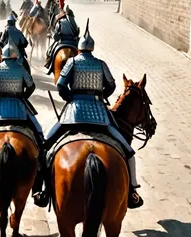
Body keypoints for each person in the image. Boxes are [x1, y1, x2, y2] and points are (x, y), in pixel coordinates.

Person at [44, 25, 143, 209]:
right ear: (92, 49)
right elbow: (112, 86)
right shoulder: (100, 64)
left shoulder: (72, 63)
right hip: (99, 113)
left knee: (47, 143)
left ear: (79, 48)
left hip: (74, 113)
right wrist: (101, 96)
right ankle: (132, 190)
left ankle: (44, 188)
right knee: (127, 150)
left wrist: (70, 97)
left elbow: (60, 85)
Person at [0, 43, 47, 205]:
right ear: (15, 57)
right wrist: (22, 97)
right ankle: (38, 183)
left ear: (2, 56)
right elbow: (31, 86)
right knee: (40, 137)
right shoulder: (20, 68)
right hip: (20, 108)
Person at [45, 6, 79, 71]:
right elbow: (76, 33)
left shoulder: (60, 22)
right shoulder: (73, 22)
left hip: (62, 42)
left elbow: (56, 36)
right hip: (73, 43)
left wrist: (51, 33)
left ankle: (49, 63)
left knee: (50, 51)